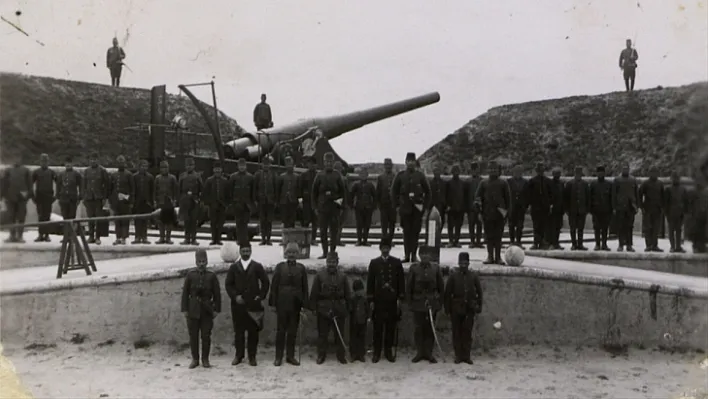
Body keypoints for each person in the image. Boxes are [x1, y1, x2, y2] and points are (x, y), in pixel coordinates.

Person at [224, 243, 270, 366]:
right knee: (238, 332)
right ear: (240, 252)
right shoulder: (234, 267)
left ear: (251, 251)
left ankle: (252, 356)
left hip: (253, 305)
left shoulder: (257, 266)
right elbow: (228, 284)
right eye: (243, 251)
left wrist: (260, 296)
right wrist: (235, 296)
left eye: (247, 251)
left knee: (253, 332)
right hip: (238, 306)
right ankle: (239, 355)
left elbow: (265, 282)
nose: (245, 253)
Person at [269, 242, 309, 366]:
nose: (291, 255)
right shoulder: (280, 267)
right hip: (282, 303)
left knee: (293, 331)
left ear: (297, 254)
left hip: (296, 304)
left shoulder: (301, 268)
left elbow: (305, 288)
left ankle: (290, 356)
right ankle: (278, 357)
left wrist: (304, 305)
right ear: (285, 254)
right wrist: (273, 303)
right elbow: (274, 286)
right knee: (281, 331)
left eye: (294, 252)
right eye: (289, 252)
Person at [366, 236, 405, 363]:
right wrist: (371, 299)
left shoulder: (396, 263)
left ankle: (388, 351)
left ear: (390, 248)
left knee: (390, 327)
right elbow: (370, 282)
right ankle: (377, 352)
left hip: (392, 300)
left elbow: (401, 282)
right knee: (378, 327)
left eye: (387, 248)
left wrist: (400, 297)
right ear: (380, 249)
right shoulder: (374, 263)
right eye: (383, 248)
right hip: (379, 300)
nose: (385, 250)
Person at [181, 249, 221, 369]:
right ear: (196, 262)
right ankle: (195, 359)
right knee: (193, 336)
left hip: (207, 310)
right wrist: (185, 310)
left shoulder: (212, 276)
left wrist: (216, 309)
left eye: (204, 261)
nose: (202, 264)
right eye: (199, 261)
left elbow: (217, 294)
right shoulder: (190, 275)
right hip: (193, 309)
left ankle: (205, 359)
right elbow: (185, 293)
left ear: (207, 262)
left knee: (206, 335)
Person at [310, 251, 351, 364]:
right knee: (323, 334)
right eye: (329, 261)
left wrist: (348, 308)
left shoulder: (343, 276)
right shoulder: (320, 275)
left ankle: (341, 355)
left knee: (339, 333)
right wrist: (313, 308)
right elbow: (314, 293)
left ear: (337, 262)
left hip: (339, 308)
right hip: (324, 308)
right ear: (326, 262)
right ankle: (321, 354)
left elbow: (348, 294)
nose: (331, 264)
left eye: (333, 262)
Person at [443, 252, 482, 365]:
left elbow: (479, 292)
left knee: (467, 332)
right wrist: (447, 309)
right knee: (456, 332)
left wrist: (479, 306)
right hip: (456, 308)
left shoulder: (473, 276)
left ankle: (467, 355)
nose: (463, 265)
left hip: (469, 308)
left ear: (469, 263)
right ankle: (458, 355)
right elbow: (447, 293)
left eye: (465, 263)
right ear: (458, 263)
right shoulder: (453, 276)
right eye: (461, 263)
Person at [391, 152, 431, 262]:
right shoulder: (400, 176)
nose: (410, 163)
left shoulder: (420, 176)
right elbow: (394, 192)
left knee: (415, 232)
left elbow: (428, 192)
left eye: (412, 161)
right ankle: (407, 255)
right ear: (405, 162)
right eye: (408, 161)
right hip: (405, 209)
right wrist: (397, 206)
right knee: (406, 232)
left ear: (415, 162)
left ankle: (414, 255)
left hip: (417, 209)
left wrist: (425, 207)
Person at [407, 251, 444, 363]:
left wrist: (439, 303)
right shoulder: (414, 268)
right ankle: (419, 352)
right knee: (419, 328)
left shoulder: (436, 268)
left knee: (430, 329)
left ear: (430, 256)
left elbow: (441, 287)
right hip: (418, 302)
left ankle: (428, 353)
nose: (425, 257)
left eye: (427, 255)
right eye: (423, 255)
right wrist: (410, 303)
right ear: (419, 255)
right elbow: (409, 287)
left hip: (431, 303)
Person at [475, 161, 511, 264]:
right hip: (487, 214)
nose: (492, 171)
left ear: (498, 171)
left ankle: (498, 257)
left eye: (495, 169)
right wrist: (479, 212)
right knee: (489, 236)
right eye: (491, 169)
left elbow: (508, 200)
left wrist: (507, 214)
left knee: (498, 237)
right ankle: (490, 256)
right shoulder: (483, 183)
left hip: (500, 215)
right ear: (487, 170)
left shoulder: (503, 183)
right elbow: (477, 198)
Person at [312, 152, 347, 259]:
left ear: (333, 163)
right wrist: (315, 207)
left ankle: (332, 252)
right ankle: (325, 252)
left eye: (330, 162)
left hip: (334, 208)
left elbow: (343, 192)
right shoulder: (319, 175)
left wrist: (341, 206)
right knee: (323, 231)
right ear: (323, 162)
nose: (328, 164)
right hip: (322, 208)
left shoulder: (337, 175)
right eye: (326, 162)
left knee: (334, 231)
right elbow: (314, 192)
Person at [1, 158, 32, 243]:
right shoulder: (8, 170)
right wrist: (1, 196)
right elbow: (3, 183)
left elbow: (30, 184)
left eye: (17, 159)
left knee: (21, 217)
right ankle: (12, 236)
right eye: (14, 159)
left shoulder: (26, 170)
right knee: (11, 217)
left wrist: (28, 196)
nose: (16, 161)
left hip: (22, 198)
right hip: (10, 197)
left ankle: (20, 236)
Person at [82, 153, 111, 245]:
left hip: (99, 198)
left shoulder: (102, 171)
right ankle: (91, 236)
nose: (93, 161)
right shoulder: (87, 171)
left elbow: (107, 185)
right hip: (89, 198)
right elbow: (84, 185)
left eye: (94, 159)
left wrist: (105, 197)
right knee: (90, 218)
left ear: (98, 160)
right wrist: (84, 197)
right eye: (91, 159)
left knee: (98, 218)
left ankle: (97, 237)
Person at [526, 162, 552, 249]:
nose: (540, 172)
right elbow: (528, 195)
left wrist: (550, 204)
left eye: (542, 170)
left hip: (545, 207)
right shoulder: (532, 181)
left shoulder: (548, 181)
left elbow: (551, 194)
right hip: (535, 206)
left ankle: (542, 242)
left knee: (544, 225)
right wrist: (529, 205)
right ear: (537, 171)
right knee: (536, 225)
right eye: (539, 170)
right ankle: (535, 242)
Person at [228, 158, 255, 244]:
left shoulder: (250, 177)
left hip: (247, 204)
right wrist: (232, 202)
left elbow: (253, 191)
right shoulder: (233, 177)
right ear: (238, 166)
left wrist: (252, 203)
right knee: (238, 223)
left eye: (243, 166)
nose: (242, 167)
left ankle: (245, 238)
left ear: (246, 166)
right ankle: (239, 239)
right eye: (240, 166)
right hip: (237, 203)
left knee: (245, 222)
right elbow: (230, 191)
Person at [639, 167, 665, 252]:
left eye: (655, 173)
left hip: (657, 209)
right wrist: (641, 206)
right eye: (652, 172)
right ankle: (648, 245)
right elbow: (639, 194)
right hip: (647, 209)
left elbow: (663, 196)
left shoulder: (660, 183)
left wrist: (662, 207)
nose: (654, 174)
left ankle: (655, 245)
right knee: (648, 228)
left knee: (656, 228)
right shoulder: (645, 183)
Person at [613, 164, 639, 252]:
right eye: (624, 169)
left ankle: (629, 245)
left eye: (627, 169)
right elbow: (613, 194)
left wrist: (637, 205)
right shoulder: (617, 180)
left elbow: (636, 193)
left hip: (630, 207)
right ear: (621, 170)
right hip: (620, 207)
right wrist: (614, 207)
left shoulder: (633, 180)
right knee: (620, 226)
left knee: (630, 226)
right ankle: (620, 244)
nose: (625, 170)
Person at [202, 162, 229, 245]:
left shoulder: (225, 181)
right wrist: (208, 203)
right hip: (212, 205)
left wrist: (226, 203)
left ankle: (219, 239)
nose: (217, 170)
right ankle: (213, 239)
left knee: (220, 223)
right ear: (213, 170)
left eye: (219, 169)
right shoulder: (209, 180)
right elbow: (205, 193)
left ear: (221, 170)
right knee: (213, 223)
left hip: (222, 205)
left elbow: (227, 193)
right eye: (216, 169)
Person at [31, 154, 56, 242]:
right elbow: (30, 184)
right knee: (40, 216)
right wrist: (32, 196)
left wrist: (55, 197)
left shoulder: (51, 172)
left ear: (48, 162)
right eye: (42, 161)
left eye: (45, 161)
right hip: (39, 197)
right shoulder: (36, 172)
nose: (44, 163)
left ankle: (47, 235)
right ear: (40, 162)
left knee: (47, 216)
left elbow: (59, 183)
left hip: (48, 197)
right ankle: (40, 235)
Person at [178, 157, 203, 246]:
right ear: (185, 166)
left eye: (191, 165)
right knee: (186, 220)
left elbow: (201, 188)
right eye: (188, 165)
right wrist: (180, 200)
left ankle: (194, 238)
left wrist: (199, 199)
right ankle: (186, 238)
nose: (189, 167)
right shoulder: (182, 176)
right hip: (185, 200)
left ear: (194, 166)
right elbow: (179, 189)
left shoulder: (197, 176)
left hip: (194, 200)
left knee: (194, 220)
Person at [564, 166, 590, 251]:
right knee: (573, 228)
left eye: (579, 174)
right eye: (577, 174)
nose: (578, 175)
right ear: (575, 174)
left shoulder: (585, 184)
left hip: (582, 210)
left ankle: (580, 244)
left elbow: (587, 197)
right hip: (572, 210)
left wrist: (586, 209)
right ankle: (573, 244)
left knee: (581, 228)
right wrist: (567, 209)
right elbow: (566, 198)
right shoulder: (569, 184)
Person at [111, 155, 134, 245]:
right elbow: (111, 189)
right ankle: (118, 237)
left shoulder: (129, 175)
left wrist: (131, 201)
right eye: (119, 162)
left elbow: (132, 189)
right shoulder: (114, 175)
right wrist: (111, 201)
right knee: (117, 220)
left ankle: (124, 237)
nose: (121, 164)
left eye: (122, 162)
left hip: (125, 201)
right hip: (116, 201)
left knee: (125, 220)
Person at [254, 156, 277, 246]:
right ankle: (263, 238)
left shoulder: (273, 175)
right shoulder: (258, 175)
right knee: (262, 220)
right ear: (262, 165)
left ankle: (268, 238)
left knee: (269, 220)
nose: (266, 166)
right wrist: (255, 199)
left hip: (270, 200)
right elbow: (255, 188)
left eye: (267, 164)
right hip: (261, 200)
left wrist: (275, 200)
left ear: (270, 165)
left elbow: (276, 188)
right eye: (264, 164)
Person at [664, 171, 689, 253]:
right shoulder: (668, 189)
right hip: (671, 213)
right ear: (671, 179)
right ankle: (672, 246)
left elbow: (686, 201)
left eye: (677, 178)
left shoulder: (683, 189)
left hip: (680, 213)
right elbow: (666, 202)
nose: (676, 180)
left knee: (678, 230)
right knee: (671, 230)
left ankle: (678, 246)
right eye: (674, 178)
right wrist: (666, 213)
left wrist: (685, 212)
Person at [154, 160, 178, 245]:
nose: (164, 169)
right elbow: (155, 191)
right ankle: (161, 237)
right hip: (160, 201)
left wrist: (175, 200)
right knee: (160, 221)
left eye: (166, 167)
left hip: (169, 202)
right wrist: (155, 201)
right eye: (162, 167)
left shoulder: (172, 178)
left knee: (169, 221)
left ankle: (168, 238)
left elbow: (175, 190)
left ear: (168, 168)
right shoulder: (157, 178)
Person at [350, 168, 377, 246]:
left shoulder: (370, 185)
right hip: (358, 207)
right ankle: (359, 240)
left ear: (367, 175)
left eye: (365, 174)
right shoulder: (356, 184)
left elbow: (374, 196)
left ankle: (365, 240)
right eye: (362, 174)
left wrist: (374, 206)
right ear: (359, 175)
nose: (363, 176)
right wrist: (351, 205)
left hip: (368, 207)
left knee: (367, 224)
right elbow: (351, 195)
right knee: (359, 224)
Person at [589, 165, 613, 251]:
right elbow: (590, 197)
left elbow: (611, 197)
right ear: (597, 173)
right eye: (599, 173)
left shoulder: (609, 184)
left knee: (605, 228)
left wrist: (611, 208)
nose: (600, 174)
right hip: (596, 210)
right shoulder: (593, 184)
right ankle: (597, 244)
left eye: (602, 173)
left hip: (606, 209)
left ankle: (604, 244)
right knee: (596, 228)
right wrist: (590, 209)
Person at [132, 159, 154, 244]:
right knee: (137, 220)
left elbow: (152, 190)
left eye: (145, 166)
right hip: (137, 202)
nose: (144, 168)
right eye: (142, 166)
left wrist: (151, 202)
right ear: (139, 167)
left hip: (146, 201)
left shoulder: (150, 177)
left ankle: (144, 237)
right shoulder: (135, 177)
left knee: (145, 220)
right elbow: (133, 190)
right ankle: (137, 237)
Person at [506, 165, 528, 248]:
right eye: (516, 171)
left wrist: (526, 205)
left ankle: (518, 241)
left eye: (519, 172)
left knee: (520, 225)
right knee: (511, 225)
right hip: (512, 206)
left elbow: (527, 195)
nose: (518, 173)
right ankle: (512, 241)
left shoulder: (525, 182)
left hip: (521, 207)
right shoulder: (509, 181)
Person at [298, 156, 318, 243]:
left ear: (315, 165)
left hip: (316, 202)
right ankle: (305, 239)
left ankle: (313, 239)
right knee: (305, 220)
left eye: (312, 164)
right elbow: (300, 188)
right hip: (306, 201)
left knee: (315, 221)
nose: (311, 165)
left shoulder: (318, 175)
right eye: (309, 164)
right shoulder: (303, 175)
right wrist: (300, 200)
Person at [376, 158, 397, 241]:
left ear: (392, 166)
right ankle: (384, 239)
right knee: (384, 223)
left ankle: (390, 239)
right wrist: (378, 203)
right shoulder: (381, 177)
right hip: (383, 204)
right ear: (384, 166)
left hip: (393, 204)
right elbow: (378, 191)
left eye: (389, 165)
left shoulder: (395, 176)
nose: (388, 167)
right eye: (386, 165)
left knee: (392, 223)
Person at [349, 278, 369, 362]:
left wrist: (367, 317)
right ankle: (353, 354)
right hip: (354, 322)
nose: (359, 292)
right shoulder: (352, 299)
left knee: (362, 338)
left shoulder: (365, 300)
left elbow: (367, 310)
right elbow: (350, 310)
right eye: (357, 290)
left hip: (362, 321)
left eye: (360, 290)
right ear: (354, 291)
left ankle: (361, 354)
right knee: (353, 338)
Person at [445, 164, 465, 248]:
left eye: (457, 171)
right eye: (454, 171)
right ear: (452, 172)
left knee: (458, 225)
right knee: (450, 226)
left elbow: (464, 196)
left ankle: (456, 241)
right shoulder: (448, 183)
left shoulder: (463, 183)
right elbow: (446, 195)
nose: (456, 173)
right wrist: (447, 205)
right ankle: (450, 241)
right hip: (451, 208)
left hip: (460, 208)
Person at [464, 162, 483, 248]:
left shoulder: (482, 181)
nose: (476, 171)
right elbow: (465, 194)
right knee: (471, 225)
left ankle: (478, 241)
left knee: (479, 225)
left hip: (479, 207)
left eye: (477, 169)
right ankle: (472, 241)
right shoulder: (467, 181)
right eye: (474, 170)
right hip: (470, 207)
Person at [277, 156, 300, 228]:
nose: (289, 166)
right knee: (284, 220)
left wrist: (299, 199)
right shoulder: (282, 176)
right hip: (284, 201)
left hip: (293, 201)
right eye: (287, 164)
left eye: (290, 164)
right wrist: (278, 200)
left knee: (292, 219)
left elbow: (299, 189)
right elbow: (278, 189)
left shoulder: (297, 177)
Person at [546, 167, 565, 250]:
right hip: (552, 209)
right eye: (556, 174)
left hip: (559, 208)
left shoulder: (561, 183)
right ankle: (551, 243)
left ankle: (556, 242)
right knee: (552, 227)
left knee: (558, 226)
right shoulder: (549, 183)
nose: (557, 175)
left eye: (559, 174)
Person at [333, 161, 348, 247]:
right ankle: (336, 239)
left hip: (342, 203)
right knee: (336, 223)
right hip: (337, 203)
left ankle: (337, 239)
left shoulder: (344, 178)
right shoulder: (341, 178)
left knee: (340, 223)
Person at [429, 165, 447, 230]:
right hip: (433, 205)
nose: (437, 173)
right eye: (435, 172)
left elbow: (445, 194)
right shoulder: (430, 183)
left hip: (441, 205)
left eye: (438, 172)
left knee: (441, 221)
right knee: (432, 223)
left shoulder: (443, 183)